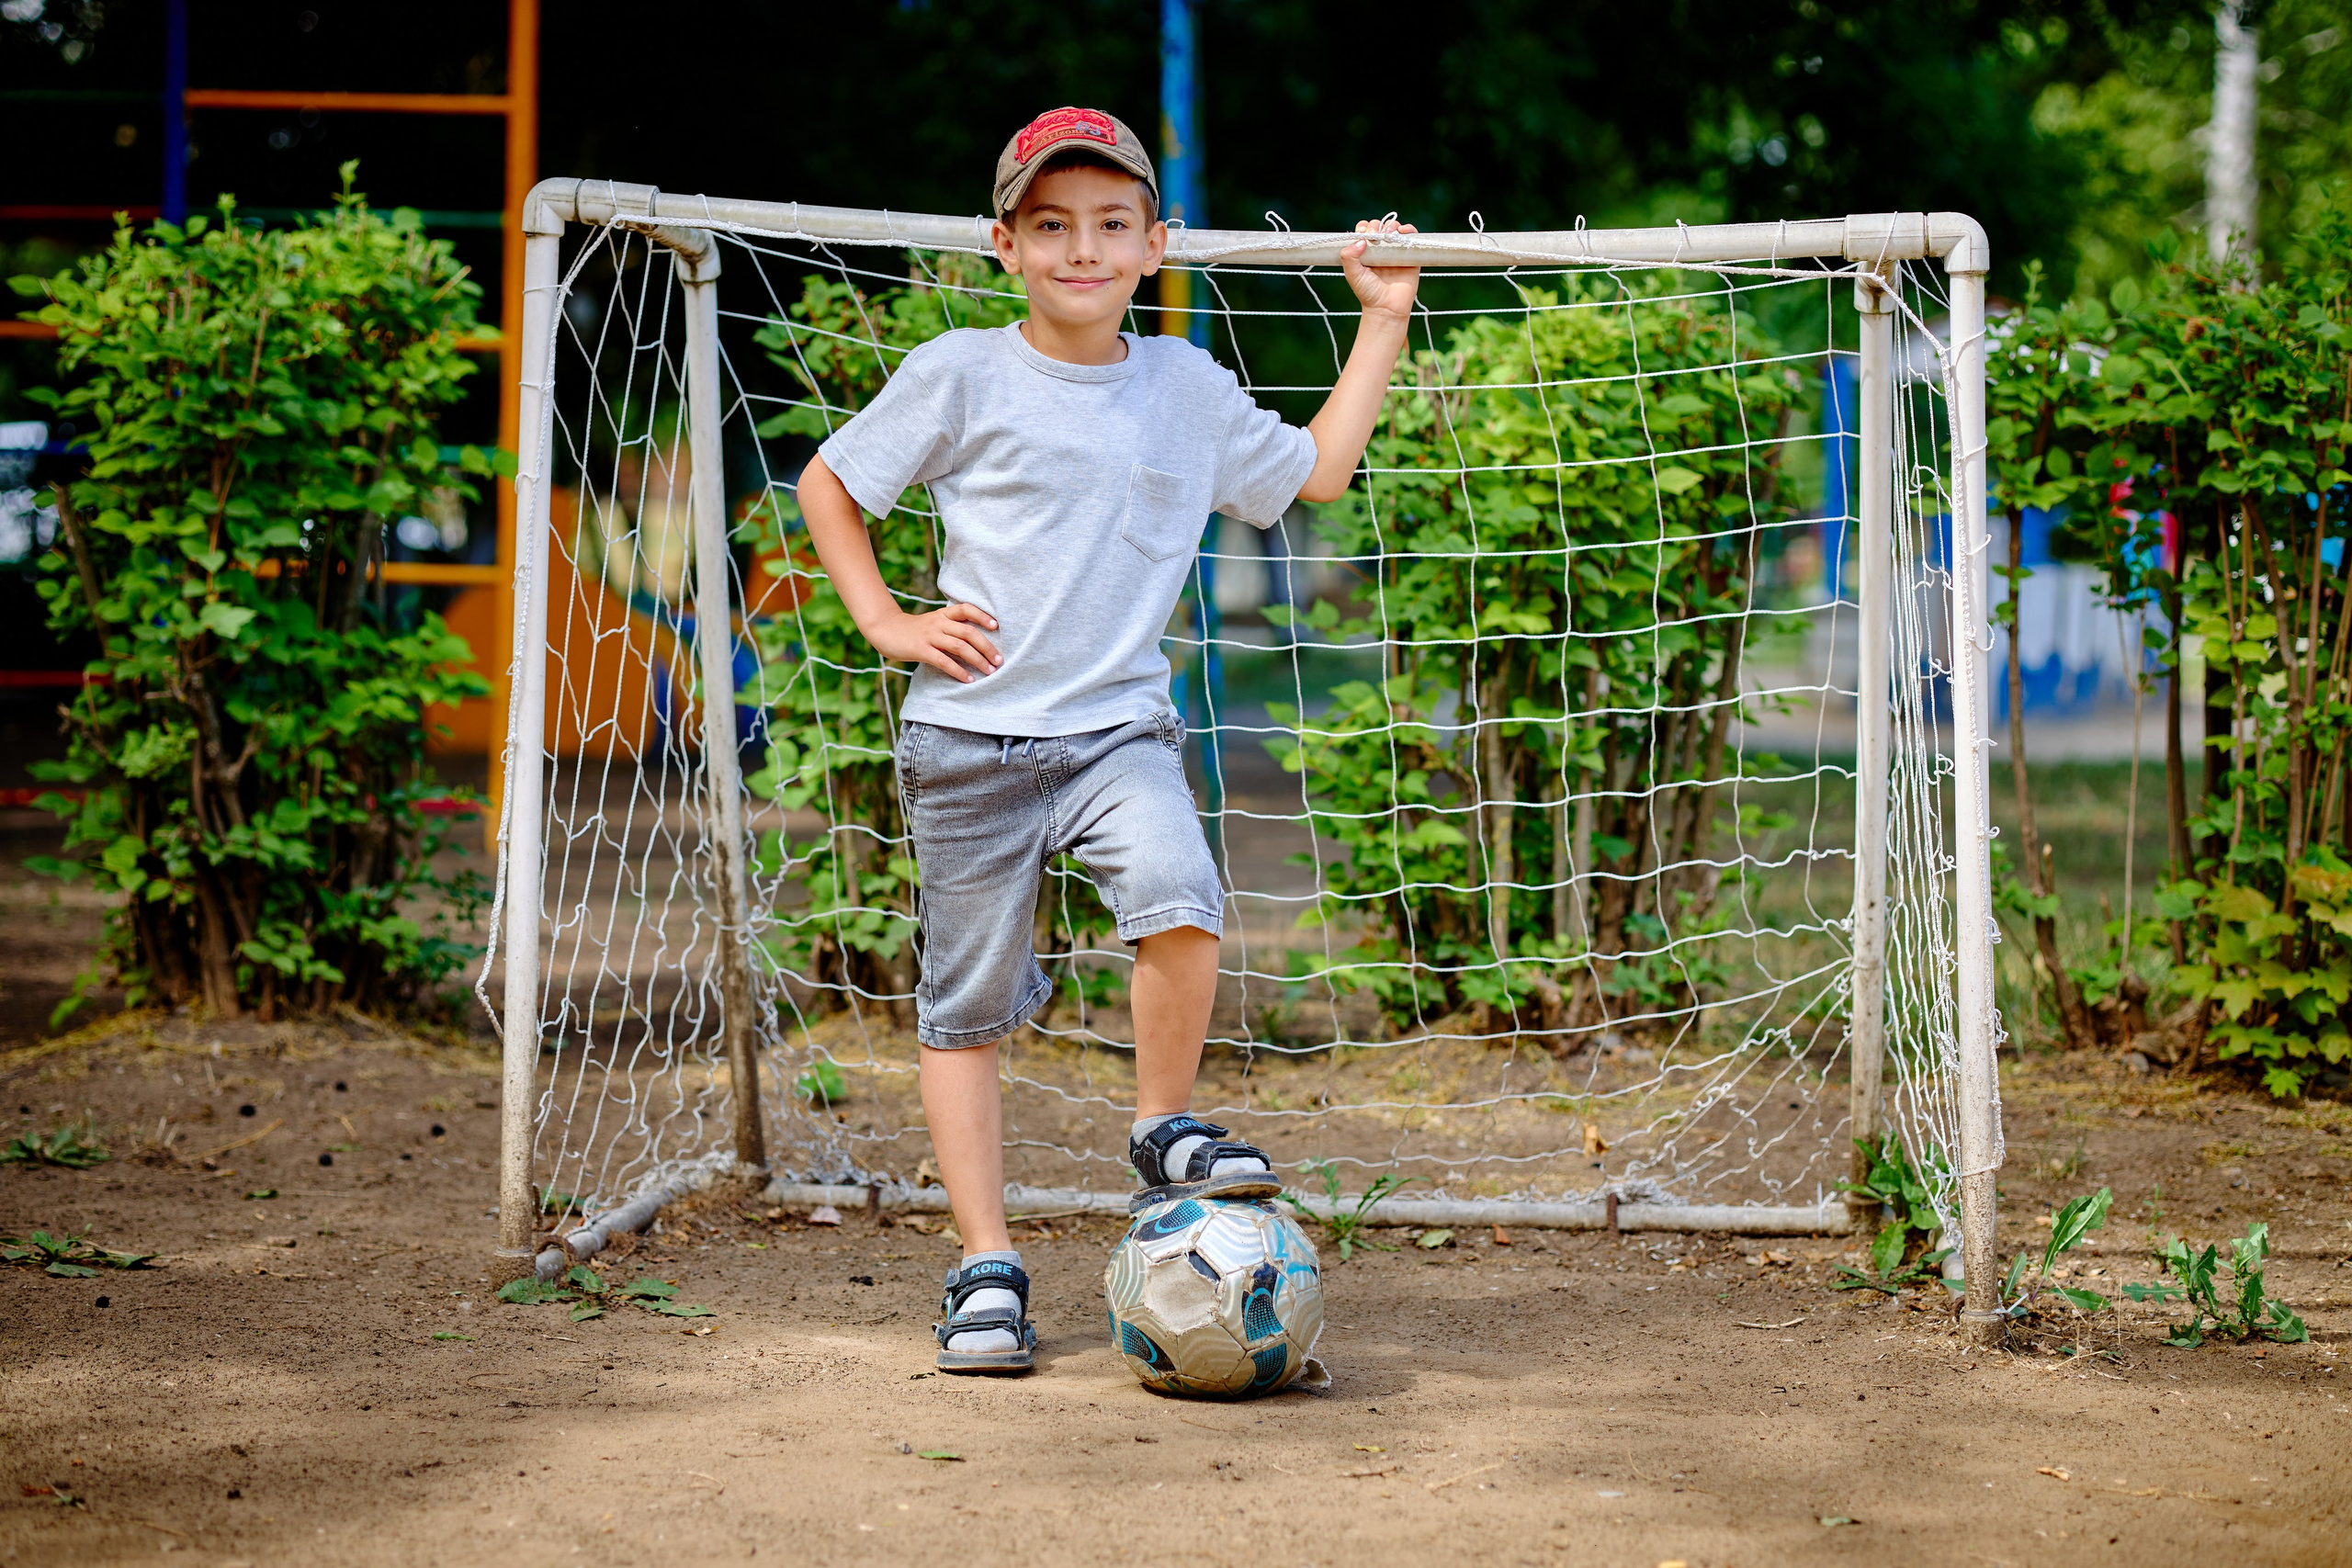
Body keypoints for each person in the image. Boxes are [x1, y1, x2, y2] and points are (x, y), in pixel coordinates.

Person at [799, 106, 1419, 1374]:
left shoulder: (1181, 387)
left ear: (1155, 245)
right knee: (966, 1005)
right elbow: (830, 483)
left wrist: (1386, 315)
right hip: (967, 739)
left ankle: (1161, 1127)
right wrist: (884, 620)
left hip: (1114, 728)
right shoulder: (962, 372)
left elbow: (1317, 473)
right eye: (1051, 227)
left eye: (1111, 225)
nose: (1081, 248)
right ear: (1006, 245)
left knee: (1179, 891)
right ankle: (986, 1266)